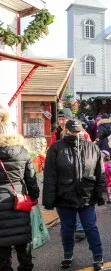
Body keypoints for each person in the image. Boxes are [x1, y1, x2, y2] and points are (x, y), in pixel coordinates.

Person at [43, 119, 106, 270]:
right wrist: (49, 200)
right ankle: (68, 254)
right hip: (64, 196)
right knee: (66, 228)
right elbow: (50, 175)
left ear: (83, 130)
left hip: (86, 195)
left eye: (79, 130)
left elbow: (101, 174)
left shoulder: (92, 148)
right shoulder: (56, 148)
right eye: (73, 130)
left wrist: (101, 195)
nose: (76, 133)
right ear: (66, 130)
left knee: (90, 227)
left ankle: (98, 255)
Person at [0, 103, 39, 271]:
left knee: (2, 246)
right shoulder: (22, 152)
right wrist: (34, 197)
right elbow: (31, 178)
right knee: (23, 239)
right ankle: (26, 266)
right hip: (19, 200)